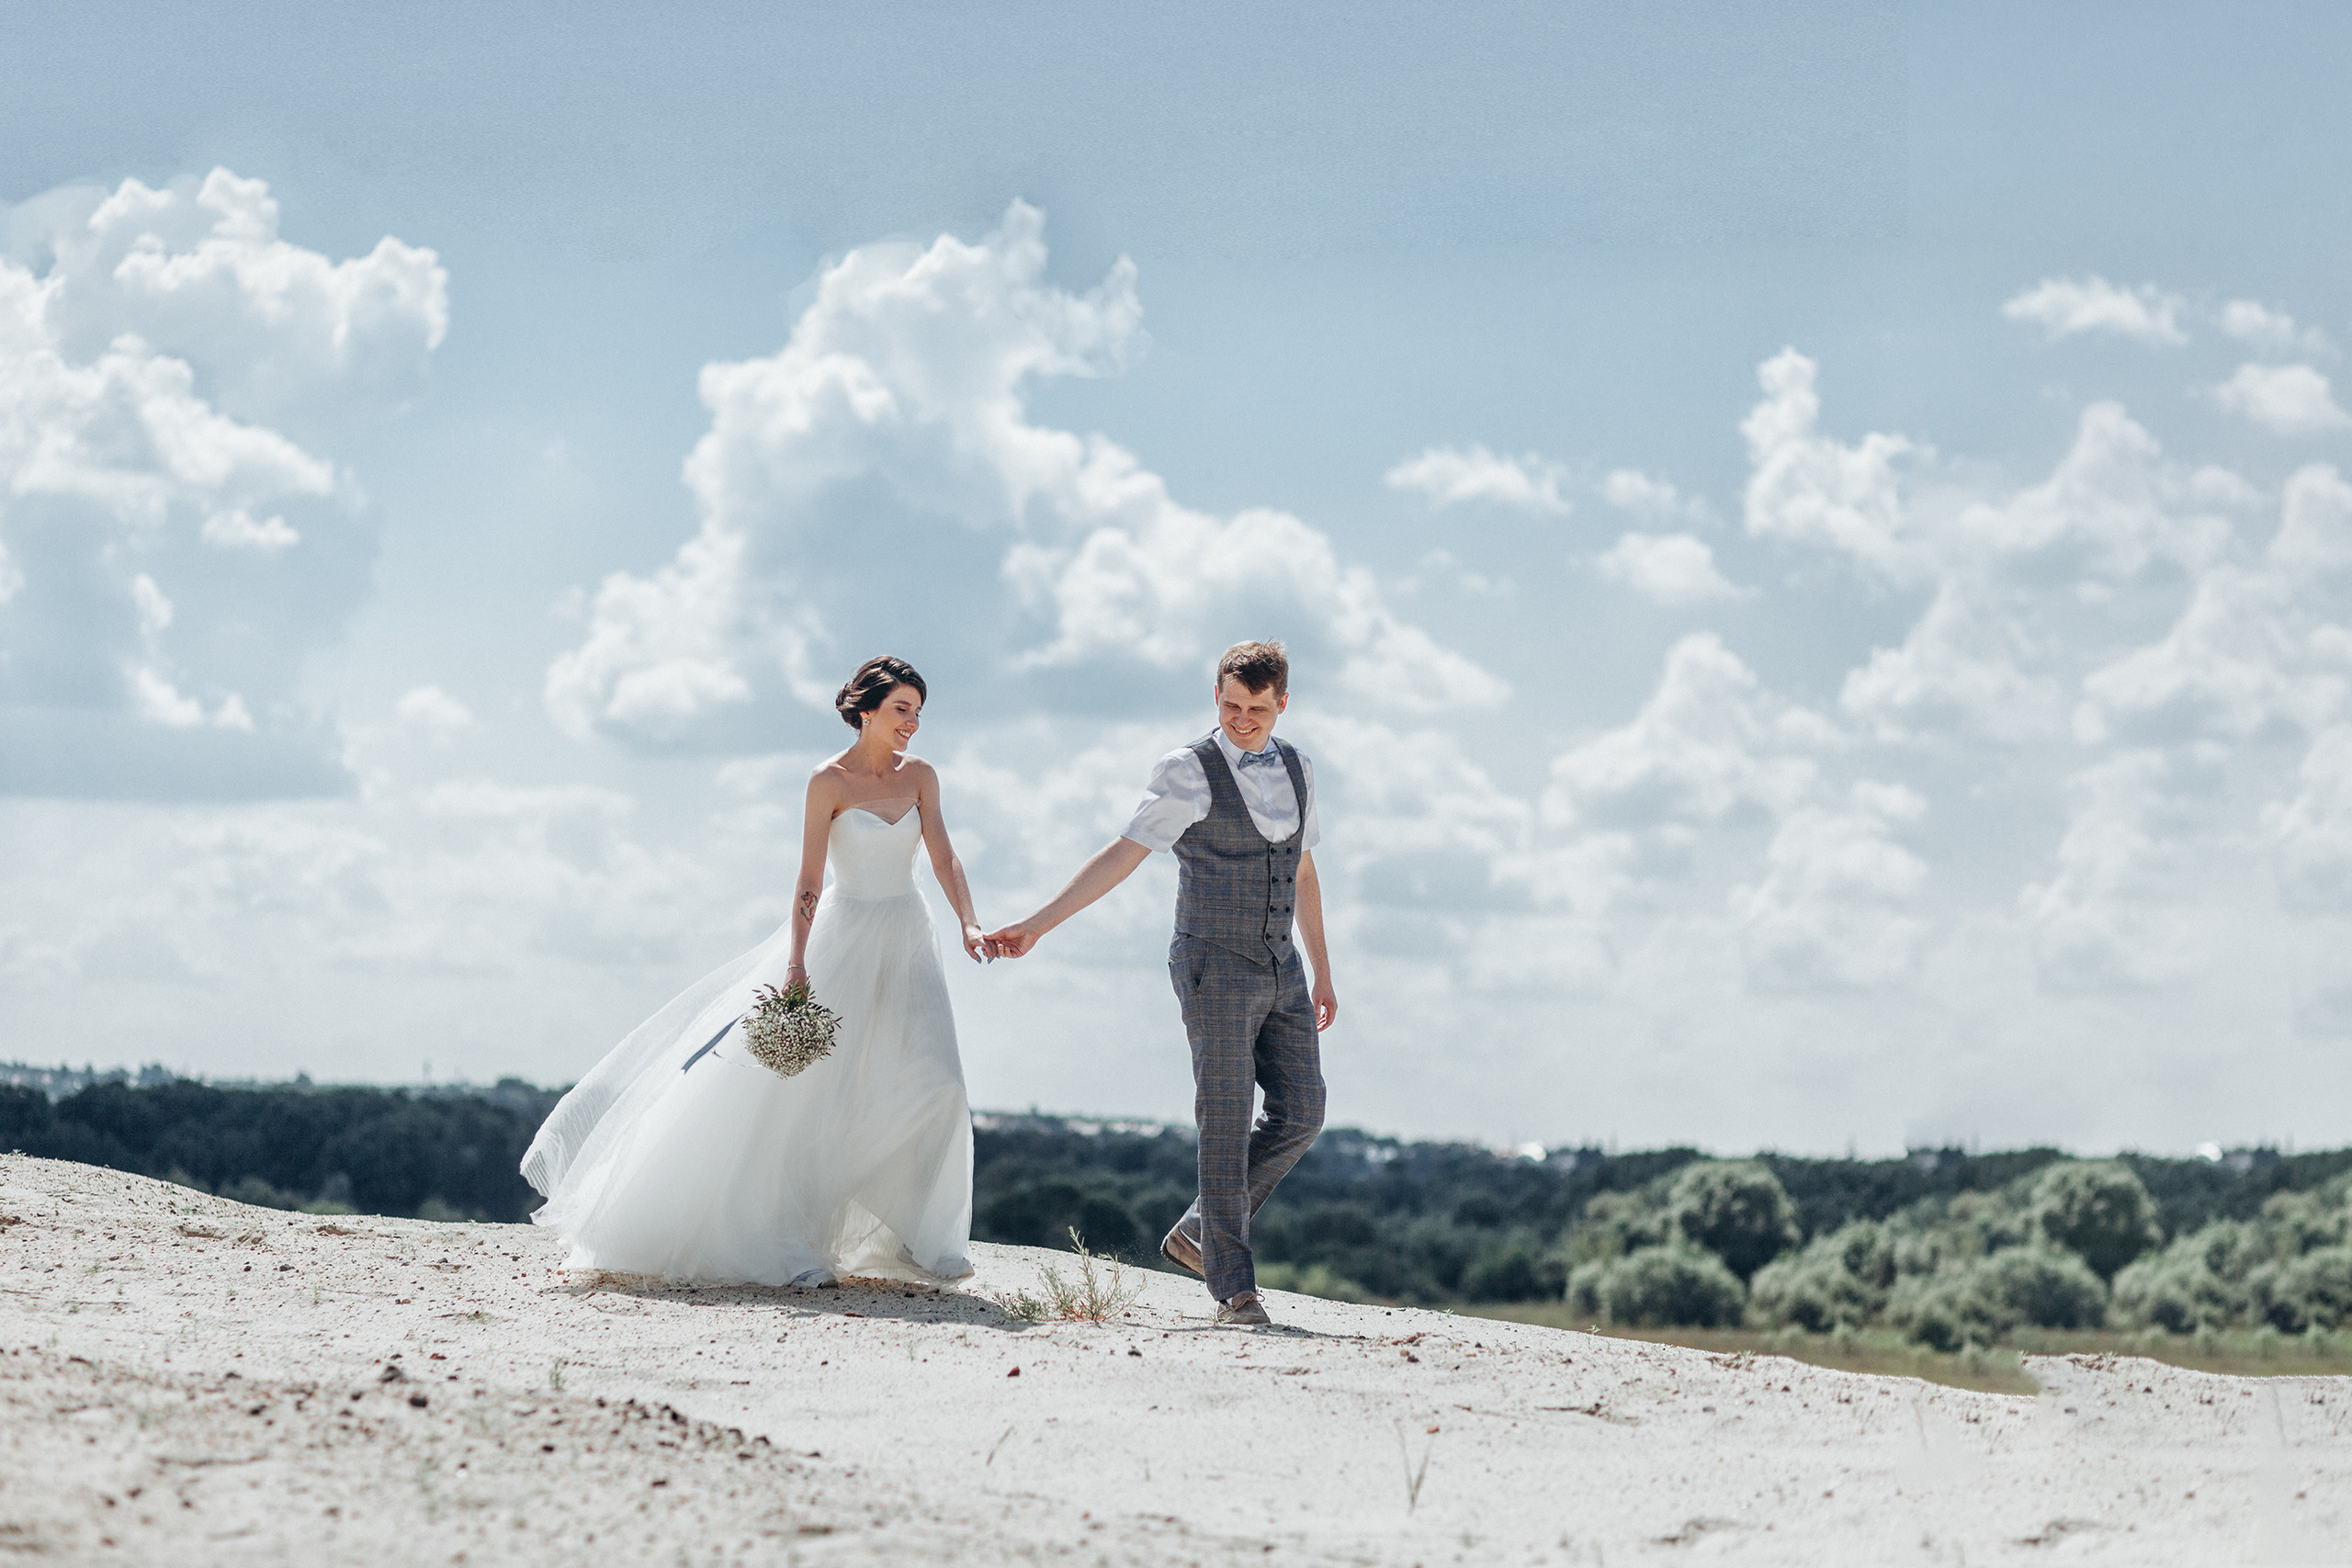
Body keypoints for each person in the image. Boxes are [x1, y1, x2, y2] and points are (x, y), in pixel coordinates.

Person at [522, 655, 987, 1288]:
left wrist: (968, 921)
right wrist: (797, 962)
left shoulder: (922, 776)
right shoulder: (827, 781)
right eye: (902, 709)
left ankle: (929, 1240)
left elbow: (944, 855)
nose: (912, 723)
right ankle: (783, 1238)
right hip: (839, 940)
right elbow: (808, 879)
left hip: (909, 937)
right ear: (867, 709)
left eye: (918, 713)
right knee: (804, 1097)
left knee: (940, 1083)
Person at [986, 639, 1336, 1326]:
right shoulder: (1187, 770)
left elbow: (1302, 868)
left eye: (1257, 709)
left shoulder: (1299, 767)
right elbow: (1123, 854)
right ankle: (1234, 1289)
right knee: (1228, 1117)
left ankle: (1198, 1229)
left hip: (1280, 962)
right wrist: (1038, 923)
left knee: (1303, 1110)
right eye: (1230, 705)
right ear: (1217, 695)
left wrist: (1323, 966)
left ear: (1282, 703)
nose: (1242, 720)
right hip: (1212, 960)